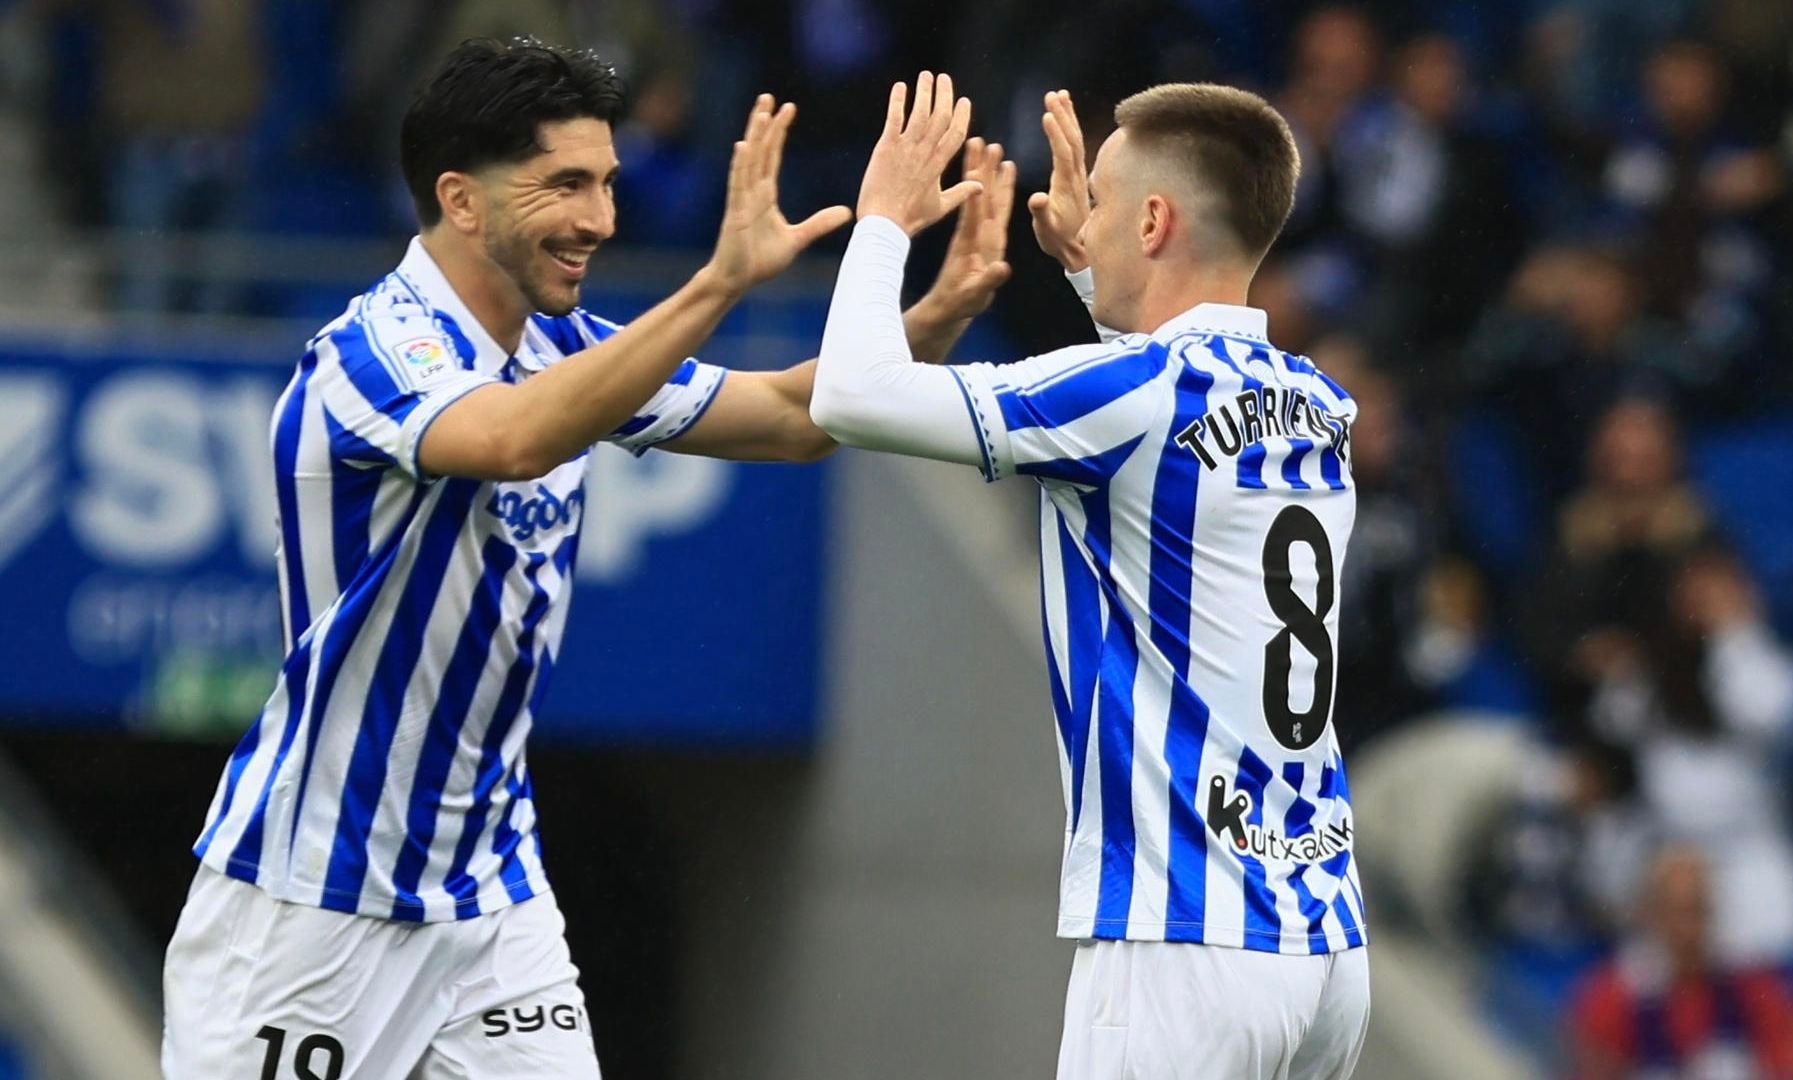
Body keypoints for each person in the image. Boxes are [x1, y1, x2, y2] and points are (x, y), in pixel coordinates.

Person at [162, 40, 1009, 1079]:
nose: (601, 220)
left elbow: (795, 418)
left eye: (607, 183)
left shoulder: (559, 348)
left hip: (489, 896)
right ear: (462, 201)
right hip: (314, 903)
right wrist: (718, 283)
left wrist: (931, 316)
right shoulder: (372, 350)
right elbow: (514, 438)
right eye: (565, 184)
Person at [812, 73, 1369, 1078]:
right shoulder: (1318, 401)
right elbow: (1155, 440)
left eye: (1104, 205)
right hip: (1322, 941)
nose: (1082, 220)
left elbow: (850, 396)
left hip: (1182, 936)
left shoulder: (1134, 393)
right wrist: (1095, 274)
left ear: (1154, 220)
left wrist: (886, 218)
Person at [1567, 846, 1793, 1080]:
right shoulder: (1612, 995)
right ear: (1651, 915)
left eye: (1697, 912)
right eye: (1675, 914)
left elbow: (1784, 1065)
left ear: (1713, 913)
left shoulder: (1753, 986)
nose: (1687, 931)